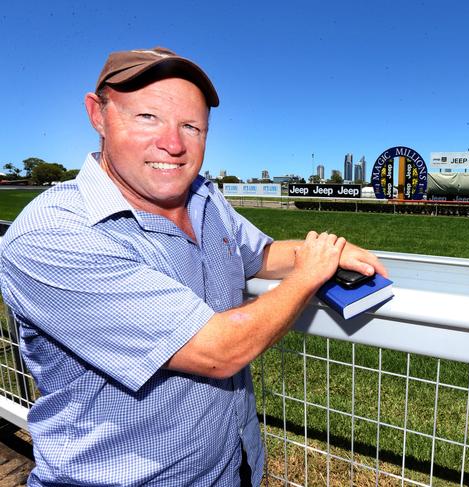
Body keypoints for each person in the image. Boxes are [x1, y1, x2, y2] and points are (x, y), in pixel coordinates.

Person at [0, 47, 387, 486]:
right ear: (98, 114)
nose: (174, 143)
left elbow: (258, 255)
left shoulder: (203, 196)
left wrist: (326, 252)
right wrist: (308, 275)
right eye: (148, 117)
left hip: (232, 467)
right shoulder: (54, 235)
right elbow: (218, 351)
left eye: (191, 126)